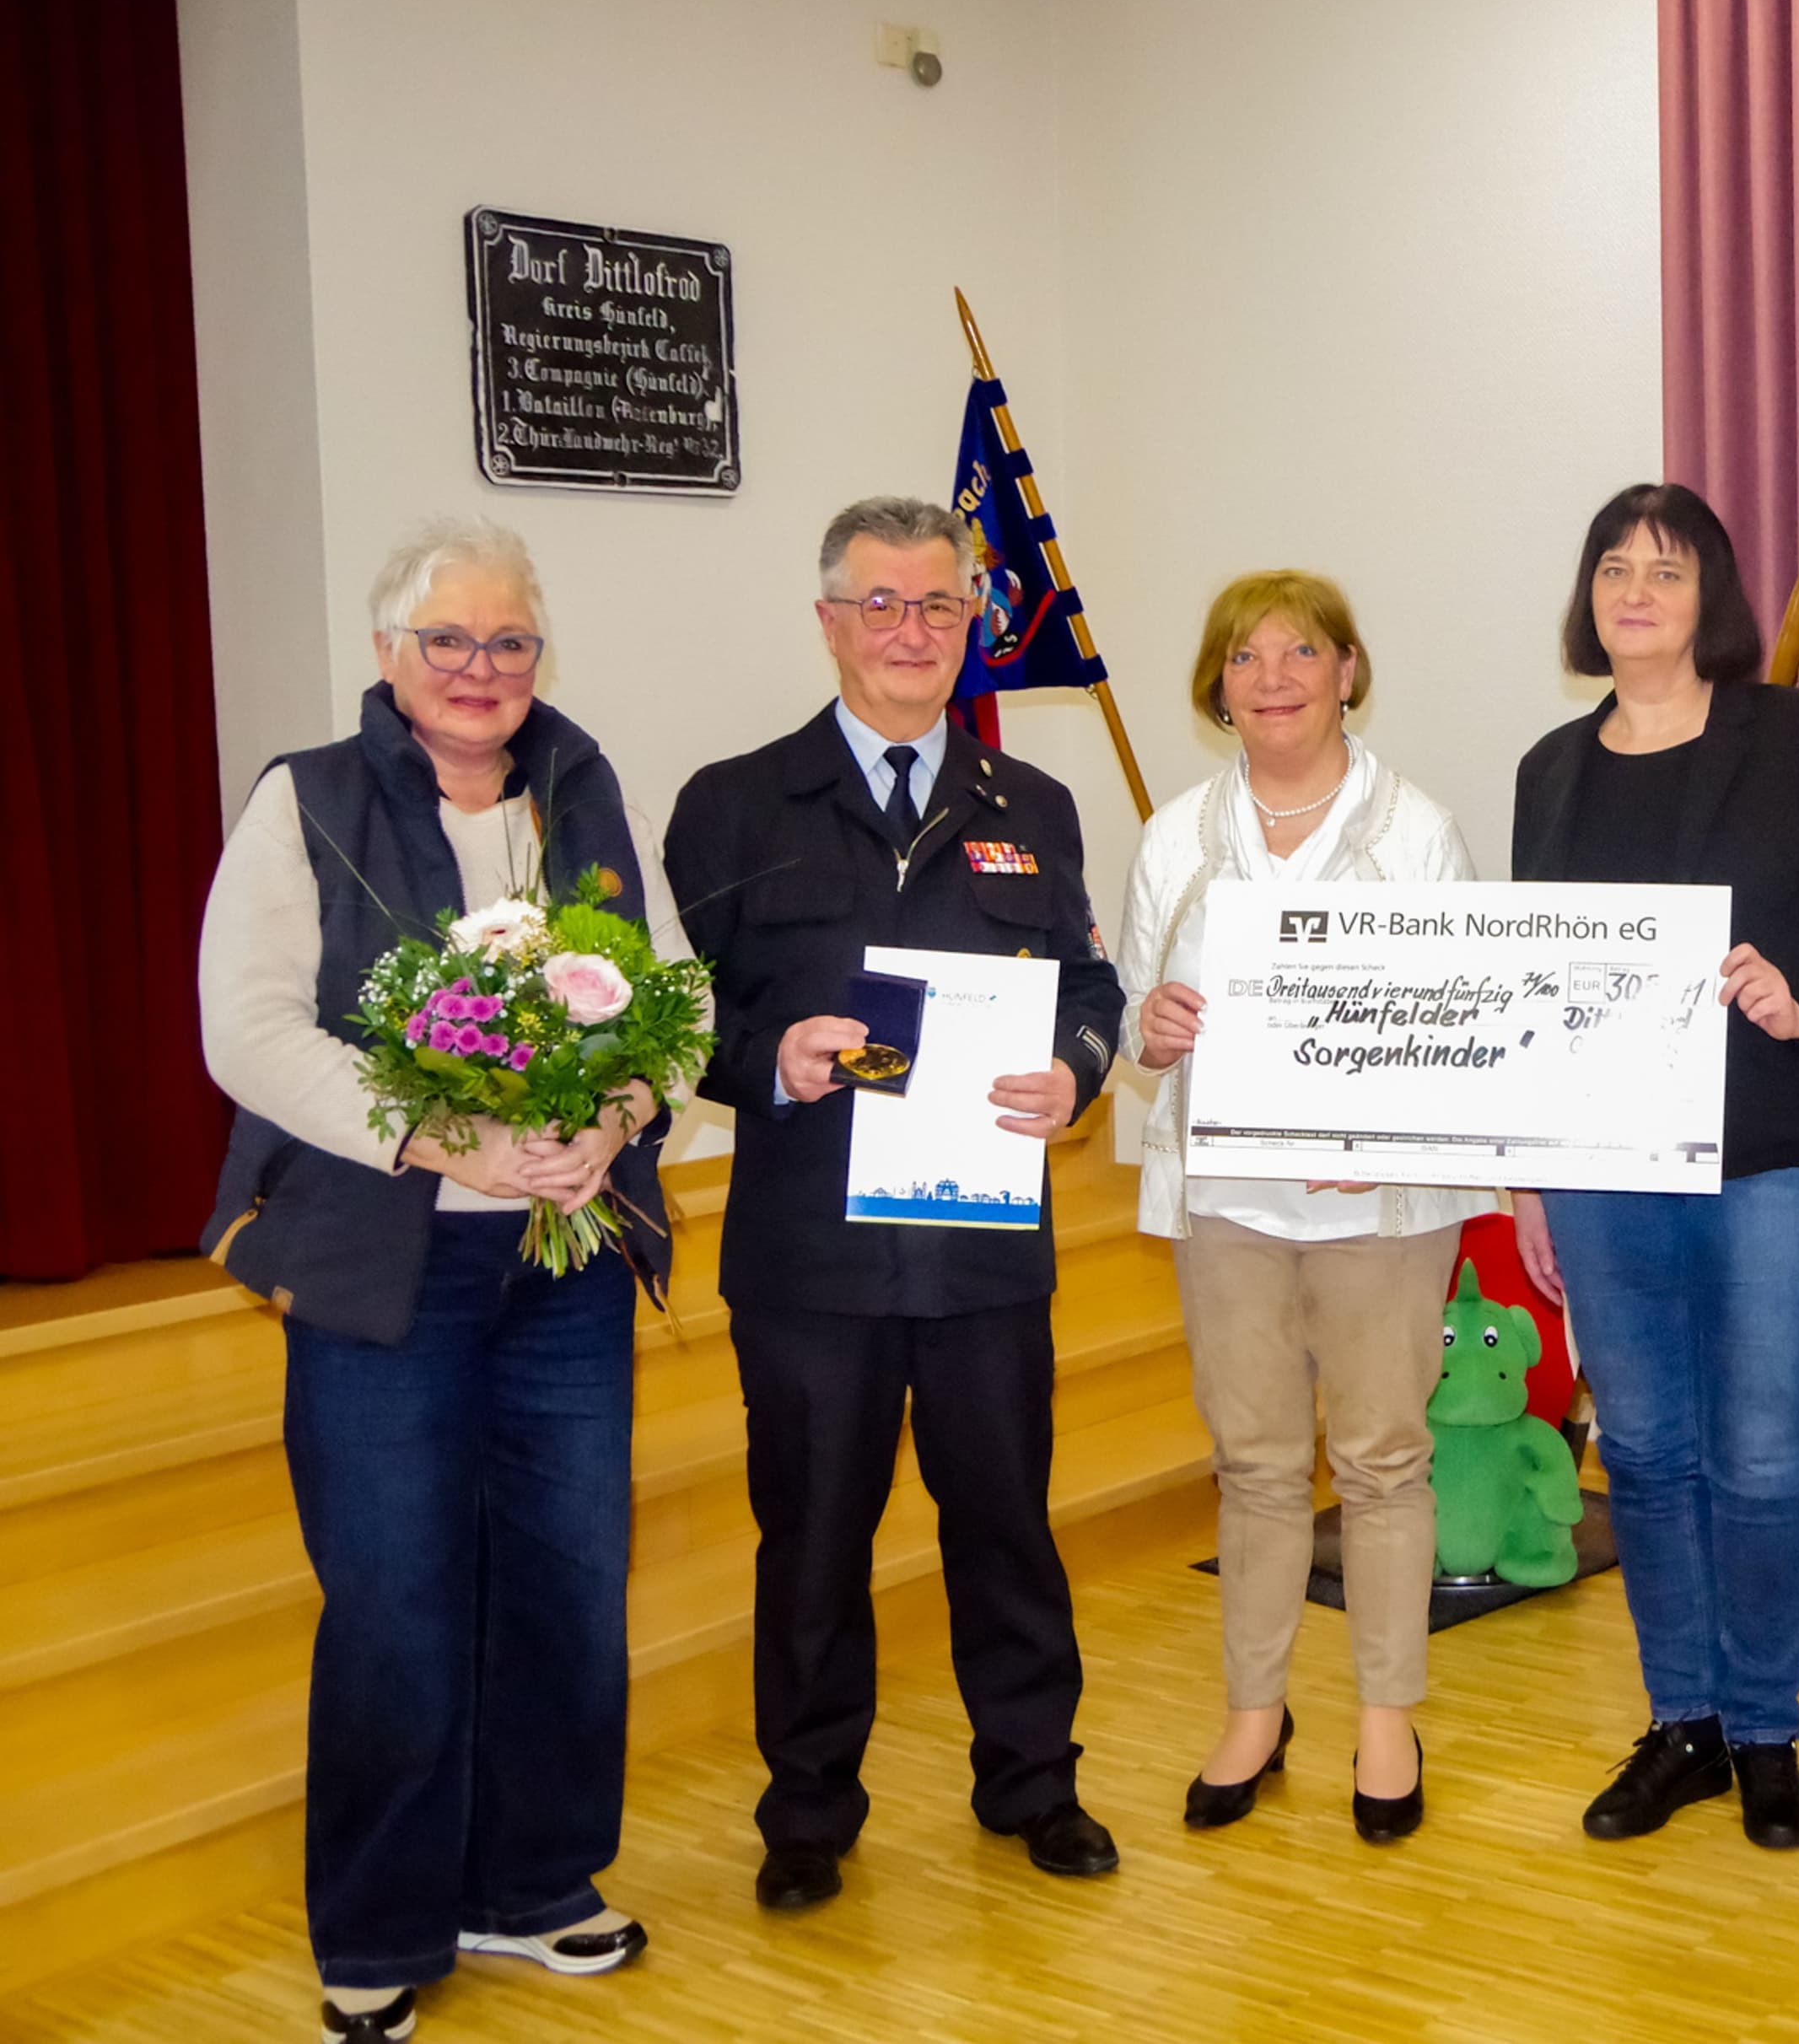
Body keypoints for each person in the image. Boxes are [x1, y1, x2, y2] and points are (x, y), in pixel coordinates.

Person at [199, 519, 686, 2042]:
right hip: (384, 1266)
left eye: (511, 644)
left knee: (567, 1583)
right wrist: (456, 1142)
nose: (483, 672)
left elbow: (665, 1001)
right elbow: (251, 1033)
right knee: (398, 1604)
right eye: (450, 643)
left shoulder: (584, 785)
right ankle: (381, 1925)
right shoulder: (310, 799)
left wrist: (613, 1116)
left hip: (566, 1263)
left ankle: (531, 1884)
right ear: (387, 653)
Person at [664, 497, 1125, 1911]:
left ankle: (1032, 1781)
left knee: (1007, 1527)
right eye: (882, 605)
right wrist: (771, 1065)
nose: (912, 632)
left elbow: (1093, 993)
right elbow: (675, 1022)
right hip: (811, 1262)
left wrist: (1072, 1072)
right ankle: (808, 1811)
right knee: (811, 1541)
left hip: (985, 1251)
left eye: (939, 606)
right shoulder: (733, 803)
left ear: (972, 623)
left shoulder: (1029, 806)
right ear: (829, 620)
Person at [1509, 482, 1799, 1850]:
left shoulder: (1790, 739)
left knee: (1758, 1457)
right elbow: (1532, 998)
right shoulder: (1549, 770)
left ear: (1710, 600)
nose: (1635, 592)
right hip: (1607, 1170)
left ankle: (1765, 1731)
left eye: (1666, 571)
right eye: (1613, 567)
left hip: (1780, 1155)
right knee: (1650, 1453)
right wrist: (1528, 1180)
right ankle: (1679, 1721)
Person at [1116, 570, 1489, 1844]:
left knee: (1384, 1459)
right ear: (1216, 685)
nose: (1273, 676)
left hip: (1379, 1199)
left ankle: (1388, 1716)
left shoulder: (1417, 832)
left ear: (1347, 671)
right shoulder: (1174, 838)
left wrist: (1380, 1128)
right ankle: (1255, 1711)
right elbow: (1129, 1018)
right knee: (1258, 1463)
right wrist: (1151, 1030)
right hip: (1232, 1198)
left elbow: (1459, 1024)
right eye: (1245, 656)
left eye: (1302, 652)